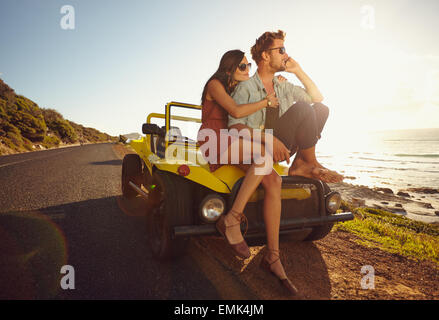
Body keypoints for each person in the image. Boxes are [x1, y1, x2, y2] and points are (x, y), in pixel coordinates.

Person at [197, 49, 298, 295]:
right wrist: (266, 101)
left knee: (273, 180)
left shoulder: (240, 90)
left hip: (235, 141)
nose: (248, 70)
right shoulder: (215, 85)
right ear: (229, 67)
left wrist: (276, 87)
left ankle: (273, 257)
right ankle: (232, 218)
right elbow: (236, 112)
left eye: (249, 66)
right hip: (214, 141)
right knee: (263, 156)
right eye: (243, 66)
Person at [229, 30, 344, 183]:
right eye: (281, 50)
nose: (286, 55)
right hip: (259, 147)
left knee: (321, 109)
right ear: (266, 55)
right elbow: (234, 128)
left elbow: (318, 98)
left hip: (284, 149)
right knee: (303, 108)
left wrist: (298, 70)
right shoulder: (246, 88)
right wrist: (269, 140)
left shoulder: (283, 86)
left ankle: (300, 163)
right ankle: (311, 163)